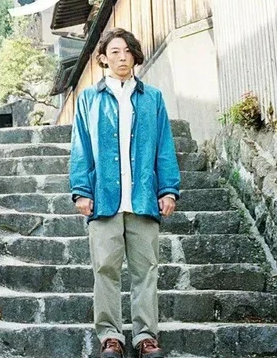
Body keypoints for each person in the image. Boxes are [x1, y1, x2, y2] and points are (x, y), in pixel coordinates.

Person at [69, 28, 180, 358]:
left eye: (127, 51)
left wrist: (168, 190)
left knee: (146, 270)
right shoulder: (89, 99)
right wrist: (81, 190)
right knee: (105, 269)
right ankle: (110, 336)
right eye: (114, 51)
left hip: (143, 197)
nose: (122, 57)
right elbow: (80, 147)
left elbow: (164, 146)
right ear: (104, 58)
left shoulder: (152, 98)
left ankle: (145, 336)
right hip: (104, 199)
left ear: (135, 55)